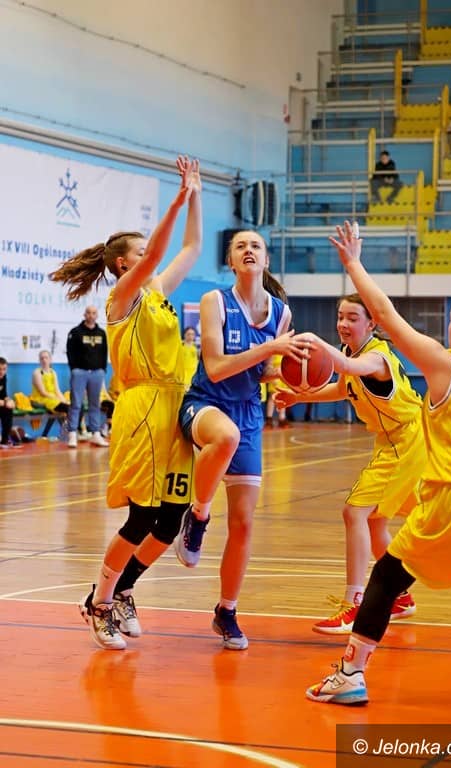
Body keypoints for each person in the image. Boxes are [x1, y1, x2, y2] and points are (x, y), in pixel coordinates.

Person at [307, 221, 451, 705]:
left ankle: (351, 674)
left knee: (388, 576)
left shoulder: (448, 363)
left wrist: (353, 263)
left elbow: (384, 313)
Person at [50, 156, 202, 651]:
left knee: (171, 519)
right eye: (140, 252)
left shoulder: (156, 292)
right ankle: (99, 603)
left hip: (175, 405)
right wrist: (177, 198)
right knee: (141, 518)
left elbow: (192, 248)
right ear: (124, 264)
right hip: (142, 407)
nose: (148, 257)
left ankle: (123, 590)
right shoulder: (123, 295)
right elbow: (159, 252)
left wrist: (196, 196)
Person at [174, 229, 309, 650]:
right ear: (230, 262)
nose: (248, 250)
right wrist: (270, 349)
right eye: (240, 246)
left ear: (266, 260)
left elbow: (262, 370)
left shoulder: (280, 313)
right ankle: (198, 516)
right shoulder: (215, 302)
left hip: (249, 411)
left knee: (244, 523)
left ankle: (226, 611)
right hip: (206, 403)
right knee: (226, 437)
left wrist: (291, 377)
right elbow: (216, 367)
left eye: (256, 246)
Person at [275, 294, 425, 635]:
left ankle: (354, 603)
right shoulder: (350, 352)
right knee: (374, 520)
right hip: (397, 439)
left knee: (354, 512)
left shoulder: (375, 358)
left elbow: (347, 368)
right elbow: (344, 387)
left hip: (407, 439)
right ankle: (399, 595)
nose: (343, 323)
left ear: (371, 323)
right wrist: (301, 396)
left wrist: (313, 342)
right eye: (340, 316)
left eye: (352, 318)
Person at [66, 305, 109, 448]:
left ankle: (95, 433)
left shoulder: (101, 333)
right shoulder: (76, 332)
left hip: (97, 373)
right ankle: (72, 433)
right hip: (80, 372)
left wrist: (102, 369)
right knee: (76, 403)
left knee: (95, 404)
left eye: (94, 313)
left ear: (97, 315)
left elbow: (104, 352)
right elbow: (70, 351)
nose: (91, 315)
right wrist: (74, 369)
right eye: (88, 313)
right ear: (84, 315)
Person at [30, 349, 69, 416]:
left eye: (46, 358)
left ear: (50, 360)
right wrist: (57, 398)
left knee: (71, 406)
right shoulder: (37, 373)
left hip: (52, 398)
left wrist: (64, 400)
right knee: (68, 408)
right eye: (42, 358)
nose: (44, 360)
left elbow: (57, 390)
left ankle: (76, 423)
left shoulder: (53, 372)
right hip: (39, 399)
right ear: (39, 361)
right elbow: (43, 393)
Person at [0, 357, 16, 449]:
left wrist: (10, 401)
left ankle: (4, 441)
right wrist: (4, 402)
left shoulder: (3, 377)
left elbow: (4, 395)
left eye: (4, 369)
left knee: (8, 410)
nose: (2, 372)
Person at [182, 325, 199, 390]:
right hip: (183, 374)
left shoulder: (197, 347)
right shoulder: (180, 345)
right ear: (184, 335)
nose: (190, 336)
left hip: (193, 374)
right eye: (188, 334)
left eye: (192, 334)